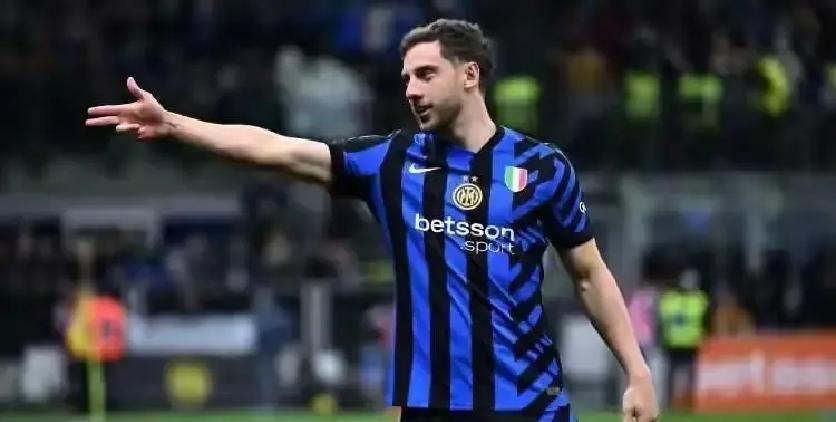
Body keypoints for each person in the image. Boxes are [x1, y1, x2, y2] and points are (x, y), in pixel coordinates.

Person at [86, 18, 658, 422]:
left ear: (470, 75)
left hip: (531, 405)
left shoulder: (542, 168)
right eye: (406, 78)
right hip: (430, 408)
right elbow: (279, 149)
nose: (411, 89)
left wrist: (637, 372)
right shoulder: (391, 162)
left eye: (426, 74)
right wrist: (177, 125)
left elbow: (590, 275)